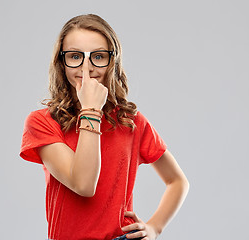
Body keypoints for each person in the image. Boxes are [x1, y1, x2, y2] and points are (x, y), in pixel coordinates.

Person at [20, 14, 189, 240]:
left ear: (113, 62)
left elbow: (177, 181)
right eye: (75, 56)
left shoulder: (132, 122)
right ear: (61, 62)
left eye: (98, 56)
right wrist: (91, 110)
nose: (86, 67)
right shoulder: (42, 122)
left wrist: (154, 227)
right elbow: (83, 183)